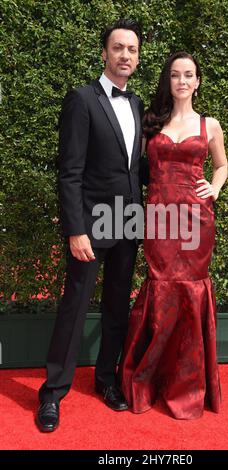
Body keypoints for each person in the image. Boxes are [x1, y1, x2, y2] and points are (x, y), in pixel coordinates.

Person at [37, 19, 144, 432]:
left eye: (132, 50)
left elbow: (136, 168)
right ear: (104, 53)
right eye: (118, 48)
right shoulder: (81, 99)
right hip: (92, 224)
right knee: (74, 306)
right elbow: (70, 171)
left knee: (118, 307)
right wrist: (75, 229)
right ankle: (52, 393)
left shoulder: (136, 105)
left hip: (129, 221)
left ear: (137, 56)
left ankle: (106, 381)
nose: (125, 56)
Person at [119, 51, 228, 419]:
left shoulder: (210, 125)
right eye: (176, 75)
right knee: (161, 285)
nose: (182, 81)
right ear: (169, 80)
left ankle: (188, 387)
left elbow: (222, 164)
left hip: (197, 221)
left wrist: (214, 187)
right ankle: (149, 380)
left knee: (190, 288)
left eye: (189, 75)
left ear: (197, 82)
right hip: (159, 219)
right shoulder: (151, 121)